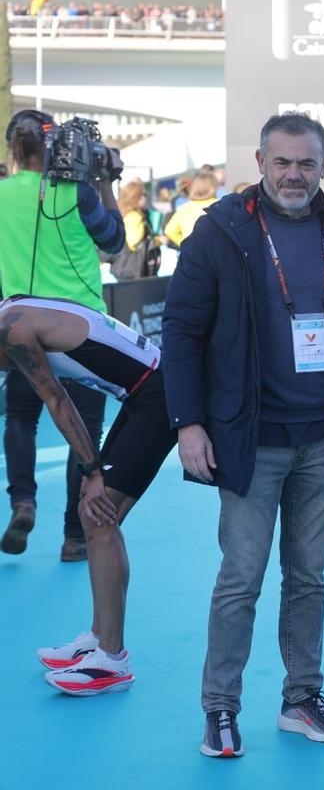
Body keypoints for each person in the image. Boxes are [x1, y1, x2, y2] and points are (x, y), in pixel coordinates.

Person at [163, 112, 324, 759]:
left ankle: (302, 699)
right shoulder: (221, 231)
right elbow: (181, 331)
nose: (293, 174)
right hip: (249, 441)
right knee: (241, 579)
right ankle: (220, 709)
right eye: (282, 162)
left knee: (309, 578)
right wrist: (188, 423)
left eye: (306, 163)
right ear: (260, 162)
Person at [0, 295, 177, 694]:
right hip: (144, 392)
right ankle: (101, 637)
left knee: (98, 517)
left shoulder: (11, 329)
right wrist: (90, 466)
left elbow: (57, 400)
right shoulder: (14, 309)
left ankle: (111, 661)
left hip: (158, 395)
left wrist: (92, 469)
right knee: (96, 516)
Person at [0, 109, 117, 562]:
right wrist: (107, 182)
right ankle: (75, 535)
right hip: (81, 327)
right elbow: (113, 241)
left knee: (20, 417)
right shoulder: (77, 192)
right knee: (84, 431)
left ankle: (23, 501)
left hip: (20, 324)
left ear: (13, 148)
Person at [112, 178, 162, 280]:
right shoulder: (135, 217)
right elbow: (134, 243)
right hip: (134, 268)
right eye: (144, 195)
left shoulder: (122, 213)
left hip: (122, 267)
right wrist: (157, 241)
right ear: (136, 197)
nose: (146, 197)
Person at [163, 170, 218, 247]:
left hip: (191, 254)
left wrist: (185, 244)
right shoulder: (220, 205)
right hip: (215, 252)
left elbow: (169, 231)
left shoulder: (184, 208)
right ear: (213, 187)